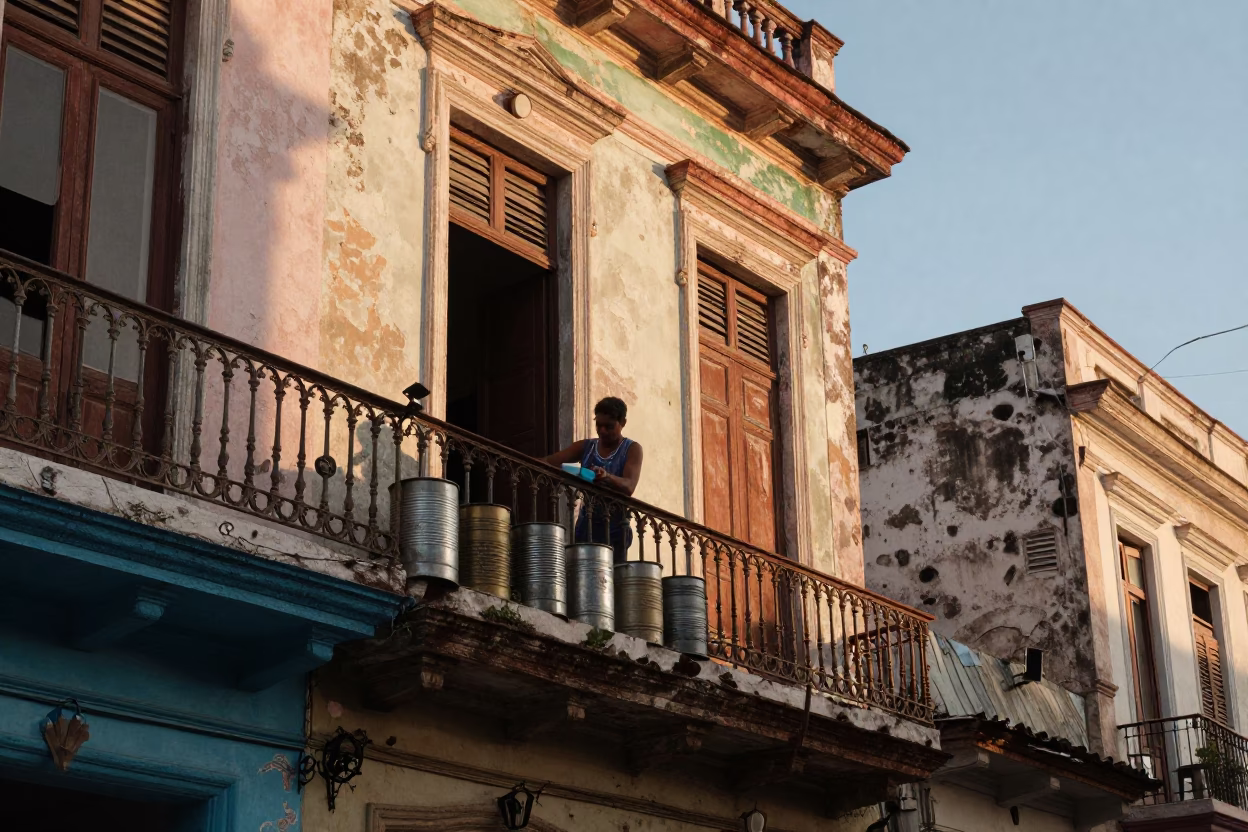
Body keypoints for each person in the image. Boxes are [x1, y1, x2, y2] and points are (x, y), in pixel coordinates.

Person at [545, 397, 644, 564]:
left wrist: (607, 476)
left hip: (615, 529)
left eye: (609, 426)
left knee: (609, 580)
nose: (602, 431)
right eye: (599, 425)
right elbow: (550, 461)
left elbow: (629, 485)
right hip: (586, 524)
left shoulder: (632, 449)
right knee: (582, 574)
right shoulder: (587, 446)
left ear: (623, 423)